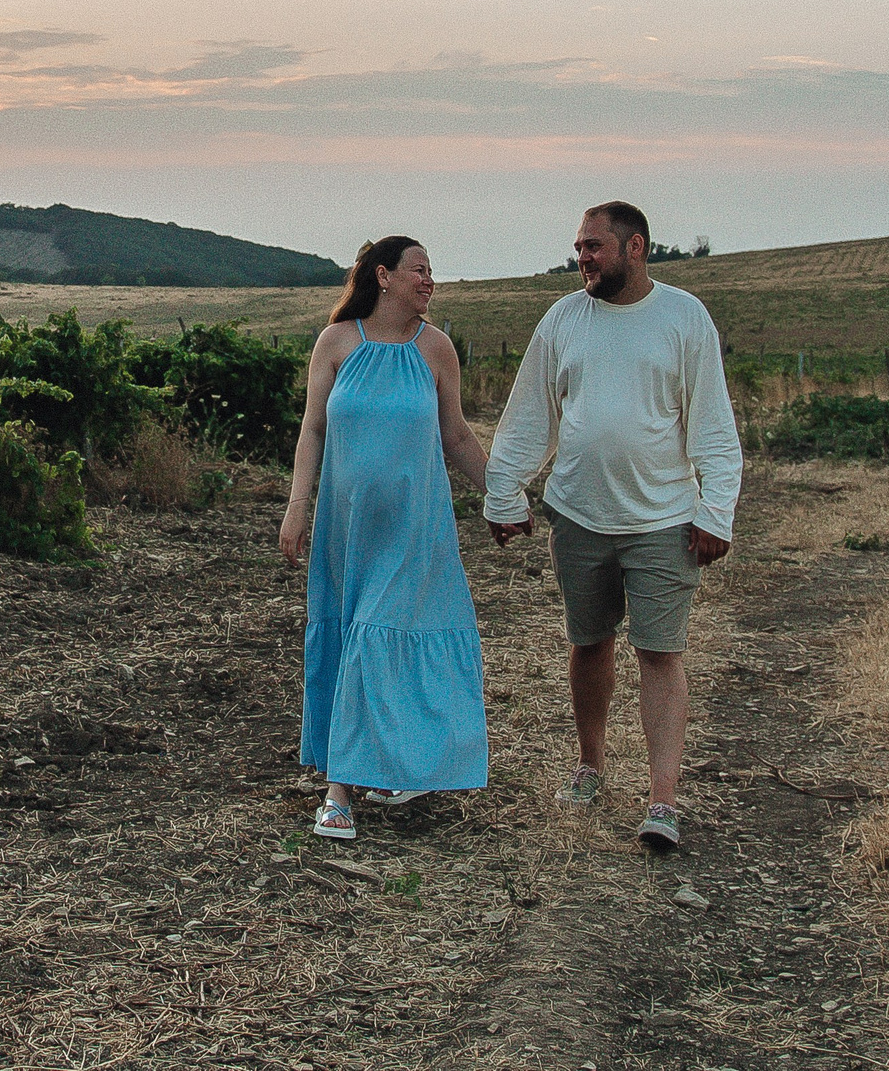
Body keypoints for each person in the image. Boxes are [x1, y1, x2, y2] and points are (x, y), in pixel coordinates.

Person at [481, 200, 740, 853]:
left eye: (594, 246)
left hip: (663, 520)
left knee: (660, 651)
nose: (583, 258)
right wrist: (504, 492)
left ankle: (662, 799)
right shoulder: (564, 318)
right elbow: (528, 416)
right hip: (580, 513)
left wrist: (715, 511)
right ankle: (590, 765)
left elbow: (711, 422)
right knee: (588, 641)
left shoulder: (683, 317)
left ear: (636, 248)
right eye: (578, 246)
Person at [279, 235, 491, 841]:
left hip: (414, 529)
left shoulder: (437, 349)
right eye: (419, 269)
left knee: (378, 634)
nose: (429, 280)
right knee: (352, 633)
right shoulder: (338, 342)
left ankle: (340, 792)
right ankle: (353, 775)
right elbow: (312, 431)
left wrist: (503, 496)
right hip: (347, 528)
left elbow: (456, 437)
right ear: (384, 277)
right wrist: (298, 507)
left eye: (431, 270)